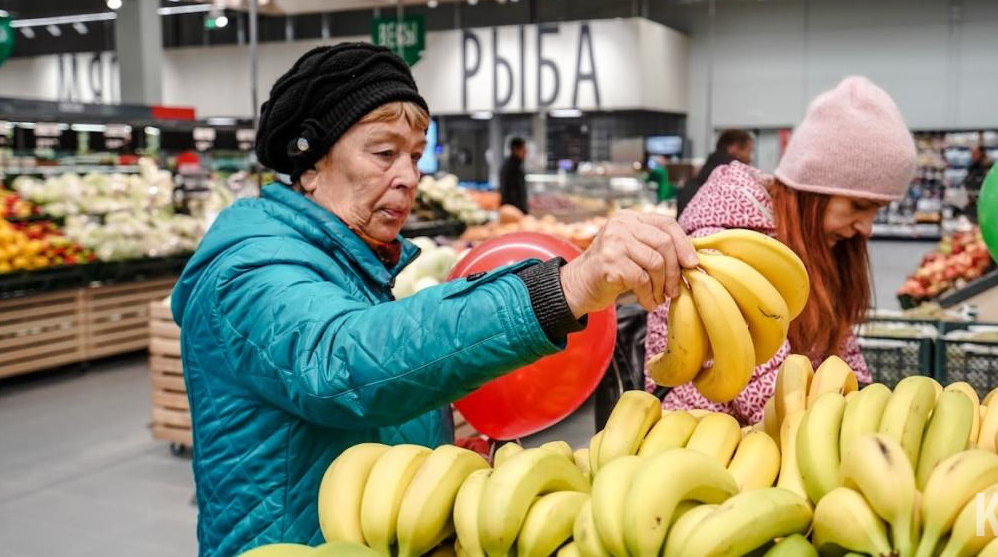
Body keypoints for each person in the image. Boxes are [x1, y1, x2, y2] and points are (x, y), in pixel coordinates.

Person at [170, 43, 698, 556]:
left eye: (415, 156)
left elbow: (375, 405)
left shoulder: (353, 263)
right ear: (310, 164)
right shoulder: (247, 270)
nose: (408, 178)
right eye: (384, 153)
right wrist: (565, 287)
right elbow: (344, 363)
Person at [646, 76, 918, 423]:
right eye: (858, 206)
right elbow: (753, 375)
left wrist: (862, 393)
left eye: (877, 210)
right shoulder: (725, 242)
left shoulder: (816, 242)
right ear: (813, 192)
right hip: (702, 440)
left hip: (783, 429)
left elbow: (837, 344)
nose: (866, 227)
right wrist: (842, 427)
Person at [677, 129, 754, 216]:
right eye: (749, 151)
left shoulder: (693, 182)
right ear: (734, 149)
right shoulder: (735, 184)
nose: (750, 159)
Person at [499, 136, 529, 213]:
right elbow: (511, 193)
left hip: (514, 210)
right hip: (513, 211)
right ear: (515, 149)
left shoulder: (516, 165)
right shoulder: (510, 167)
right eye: (523, 149)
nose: (525, 152)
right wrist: (522, 210)